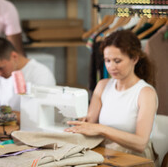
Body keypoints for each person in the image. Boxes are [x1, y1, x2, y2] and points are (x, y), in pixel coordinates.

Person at [65, 30, 158, 160]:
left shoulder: (145, 93)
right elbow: (90, 123)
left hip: (136, 159)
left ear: (135, 59)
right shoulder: (103, 86)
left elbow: (141, 143)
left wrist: (102, 129)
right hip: (106, 154)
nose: (111, 66)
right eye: (107, 60)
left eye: (117, 61)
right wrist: (81, 123)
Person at [0, 37, 56, 123]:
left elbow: (36, 119)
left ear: (14, 56)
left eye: (0, 68)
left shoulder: (41, 74)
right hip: (6, 129)